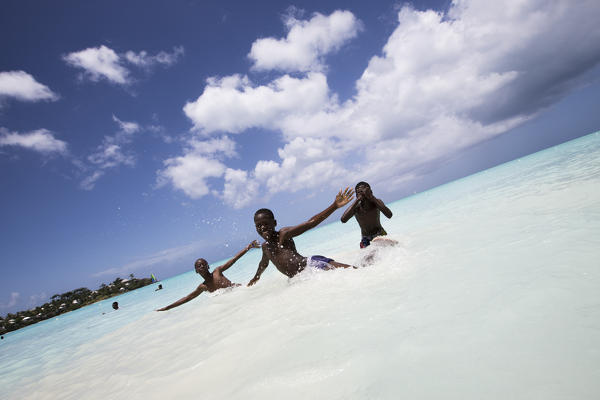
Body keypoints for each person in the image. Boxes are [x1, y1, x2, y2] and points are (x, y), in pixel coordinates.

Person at [248, 188, 355, 286]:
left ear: (274, 223)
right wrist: (256, 277)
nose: (262, 227)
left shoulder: (283, 234)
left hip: (311, 265)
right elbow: (263, 263)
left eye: (266, 224)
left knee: (354, 272)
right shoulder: (265, 247)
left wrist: (334, 206)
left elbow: (310, 223)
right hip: (299, 278)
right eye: (258, 225)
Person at [156, 240, 260, 311]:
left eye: (203, 264)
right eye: (198, 266)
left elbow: (234, 259)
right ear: (196, 271)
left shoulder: (217, 271)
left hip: (240, 291)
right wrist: (167, 307)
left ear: (208, 266)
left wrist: (248, 247)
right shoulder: (203, 287)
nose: (201, 266)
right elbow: (187, 298)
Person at [341, 182, 393, 248]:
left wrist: (371, 197)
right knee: (367, 257)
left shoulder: (376, 202)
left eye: (364, 191)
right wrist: (357, 200)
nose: (363, 194)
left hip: (379, 233)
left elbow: (389, 215)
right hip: (366, 238)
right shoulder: (356, 207)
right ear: (356, 195)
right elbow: (343, 219)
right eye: (359, 192)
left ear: (370, 191)